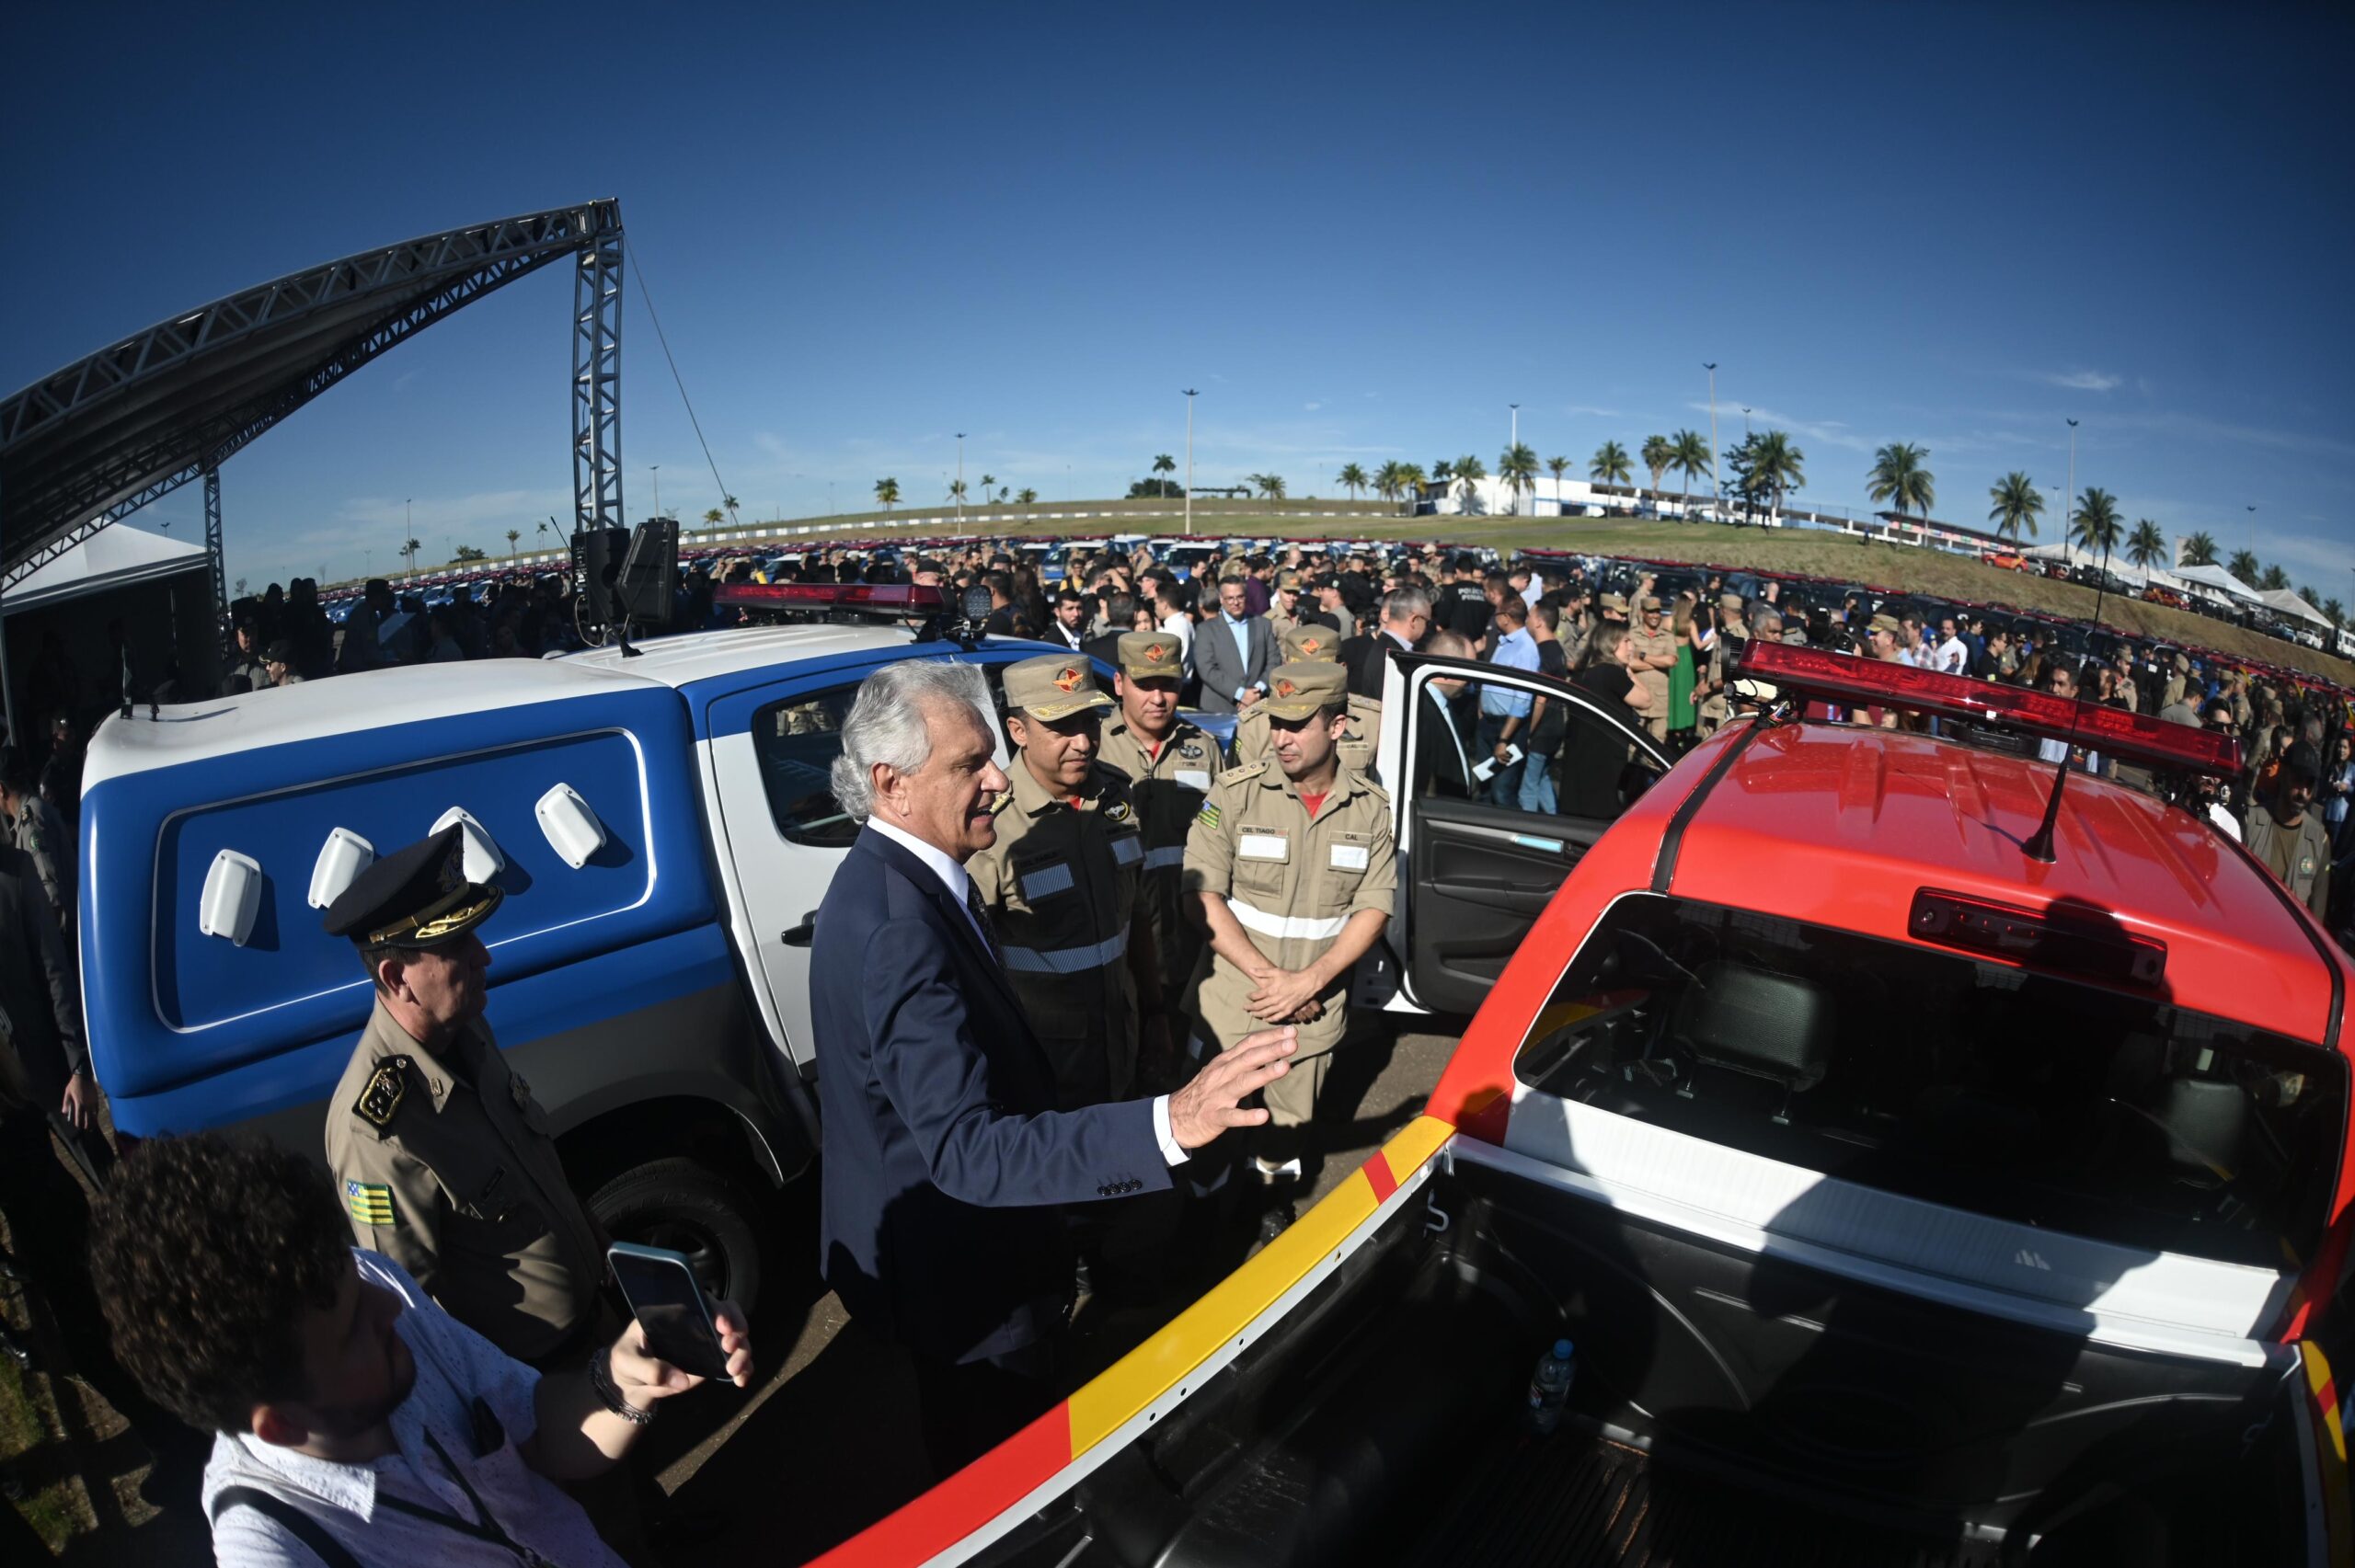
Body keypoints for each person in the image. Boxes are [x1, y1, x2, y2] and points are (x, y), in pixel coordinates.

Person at [810, 659, 1294, 1476]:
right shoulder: (899, 925)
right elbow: (967, 1150)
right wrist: (1168, 1123)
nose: (998, 780)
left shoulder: (891, 882)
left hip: (956, 1257)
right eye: (970, 764)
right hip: (972, 1284)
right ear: (892, 784)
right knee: (1004, 1477)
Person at [87, 1132, 751, 1568]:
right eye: (352, 1328)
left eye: (359, 1281)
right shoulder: (277, 1548)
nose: (391, 1308)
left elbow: (536, 1430)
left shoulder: (367, 1283)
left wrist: (621, 1381)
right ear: (281, 1423)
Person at [321, 827, 608, 1368]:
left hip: (597, 1323)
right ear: (396, 977)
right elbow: (408, 1310)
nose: (484, 957)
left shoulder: (466, 1032)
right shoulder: (378, 1131)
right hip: (536, 1378)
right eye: (455, 945)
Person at [1183, 661, 1392, 1241]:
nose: (1282, 737)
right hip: (1232, 1002)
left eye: (1299, 724)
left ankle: (1270, 1201)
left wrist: (1310, 982)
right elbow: (1200, 896)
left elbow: (1373, 908)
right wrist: (1275, 980)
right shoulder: (1237, 792)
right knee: (1211, 1120)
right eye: (1277, 723)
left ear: (1339, 726)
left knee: (1289, 1124)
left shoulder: (1370, 809)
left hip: (1312, 1010)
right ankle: (1201, 1220)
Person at [968, 656, 1160, 1111]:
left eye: (1089, 722)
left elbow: (1135, 914)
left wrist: (1155, 1013)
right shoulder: (993, 826)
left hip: (1123, 1039)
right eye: (1060, 728)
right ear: (1018, 732)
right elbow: (970, 969)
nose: (1082, 743)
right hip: (1045, 1063)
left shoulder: (1116, 794)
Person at [1096, 633, 1219, 1083]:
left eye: (1168, 683)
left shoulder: (1203, 747)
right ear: (1119, 683)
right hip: (1121, 938)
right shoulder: (1095, 746)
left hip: (1189, 936)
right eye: (1145, 684)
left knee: (1188, 1061)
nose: (1158, 697)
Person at [1229, 624, 1381, 777]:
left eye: (1320, 671)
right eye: (1299, 671)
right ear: (1284, 666)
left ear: (1342, 669)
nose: (1309, 682)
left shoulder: (1371, 721)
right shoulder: (1253, 725)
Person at [2246, 744, 2333, 921]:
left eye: (2310, 784)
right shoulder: (2250, 823)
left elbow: (2316, 915)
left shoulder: (2319, 840)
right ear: (2283, 774)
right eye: (2299, 780)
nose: (2304, 792)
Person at [0, 749, 73, 945]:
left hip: (63, 941)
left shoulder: (31, 821)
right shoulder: (35, 811)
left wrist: (47, 951)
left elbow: (52, 893)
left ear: (1, 789)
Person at [1476, 596, 1541, 804]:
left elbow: (1522, 701)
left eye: (1496, 615)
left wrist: (1504, 739)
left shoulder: (1525, 648)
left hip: (1508, 729)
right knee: (1484, 785)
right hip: (1489, 723)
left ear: (1505, 618)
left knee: (1502, 791)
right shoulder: (1504, 642)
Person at [1193, 575, 1277, 715]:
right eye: (1230, 598)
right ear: (1221, 599)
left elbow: (1274, 660)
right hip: (1219, 708)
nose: (1235, 602)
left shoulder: (1263, 625)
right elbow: (1206, 668)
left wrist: (1257, 690)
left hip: (1257, 704)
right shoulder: (1206, 629)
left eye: (1240, 597)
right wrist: (1240, 694)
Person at [1342, 587, 1430, 701]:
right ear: (1414, 620)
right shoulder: (1391, 656)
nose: (1427, 627)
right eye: (1427, 622)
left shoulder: (1389, 648)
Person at [1626, 596, 1679, 744]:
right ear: (1643, 612)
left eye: (1657, 612)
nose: (1655, 616)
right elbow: (1630, 662)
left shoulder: (1667, 636)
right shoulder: (1632, 634)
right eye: (1651, 612)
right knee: (1632, 744)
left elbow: (1671, 660)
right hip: (1638, 698)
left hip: (1660, 701)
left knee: (1657, 744)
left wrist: (1642, 655)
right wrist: (1658, 662)